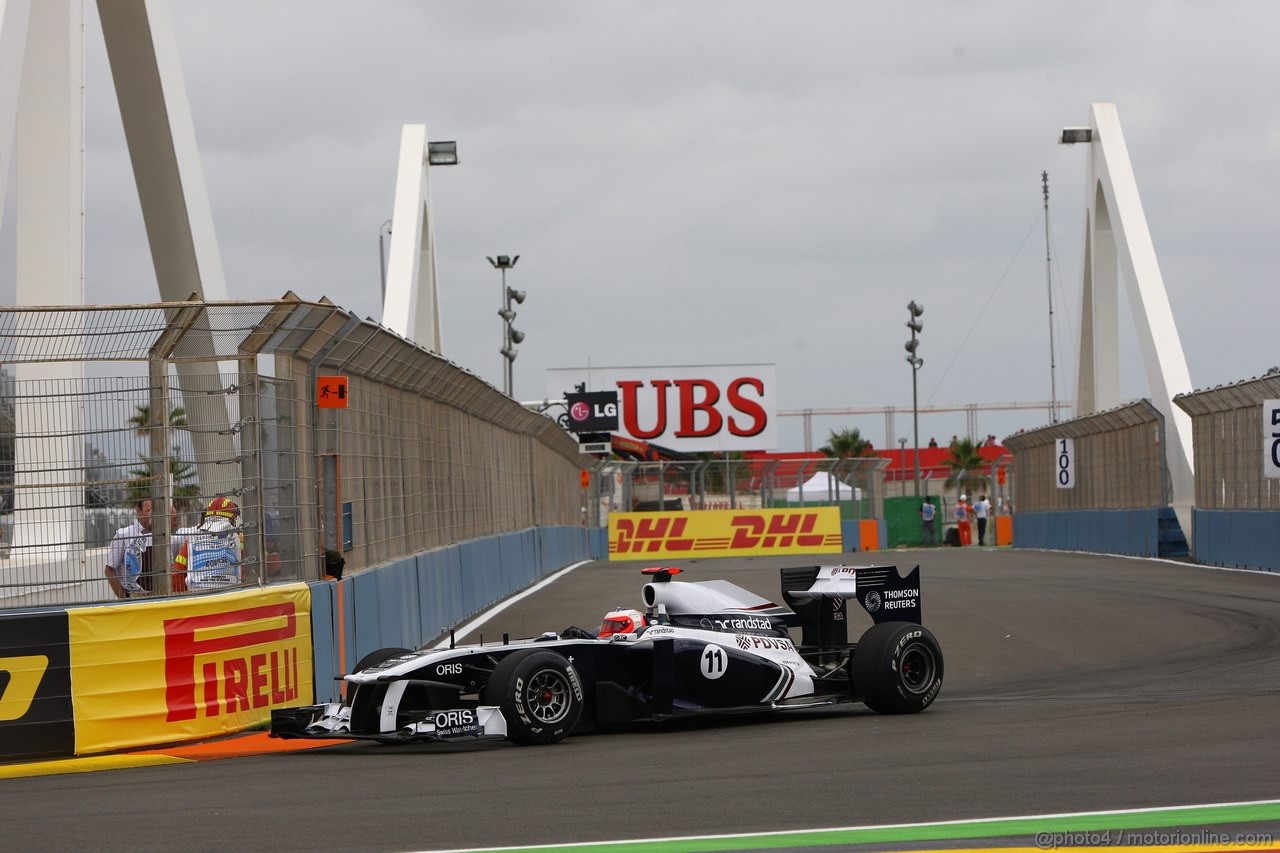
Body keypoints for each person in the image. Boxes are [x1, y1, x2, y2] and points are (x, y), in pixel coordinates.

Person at [172, 496, 243, 592]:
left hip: (198, 598)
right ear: (231, 518)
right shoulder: (237, 540)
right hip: (230, 596)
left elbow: (178, 574)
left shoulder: (191, 541)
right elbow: (246, 571)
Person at [105, 498, 153, 598]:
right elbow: (109, 570)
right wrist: (123, 598)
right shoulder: (125, 535)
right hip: (134, 596)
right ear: (138, 511)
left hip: (159, 595)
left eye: (154, 511)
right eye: (148, 511)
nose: (152, 514)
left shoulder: (160, 536)